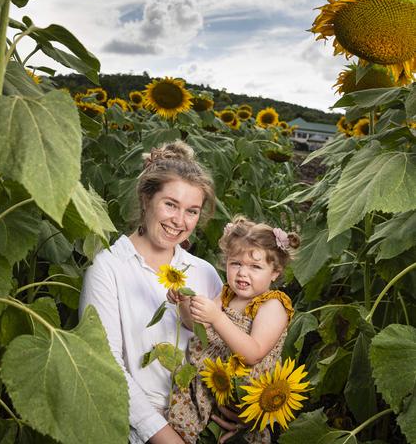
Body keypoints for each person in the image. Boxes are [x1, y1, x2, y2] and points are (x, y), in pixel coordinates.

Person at [79, 140, 223, 444]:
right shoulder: (108, 269)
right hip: (134, 430)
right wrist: (165, 437)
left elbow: (222, 350)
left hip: (203, 425)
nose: (179, 221)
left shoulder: (204, 273)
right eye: (170, 204)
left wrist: (235, 408)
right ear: (146, 199)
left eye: (192, 211)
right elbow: (105, 366)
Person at [167, 216, 301, 444]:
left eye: (255, 267)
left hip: (241, 397)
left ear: (275, 272)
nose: (242, 273)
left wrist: (218, 317)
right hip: (208, 386)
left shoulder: (273, 304)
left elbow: (253, 353)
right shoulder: (227, 294)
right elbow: (196, 326)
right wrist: (183, 304)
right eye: (235, 263)